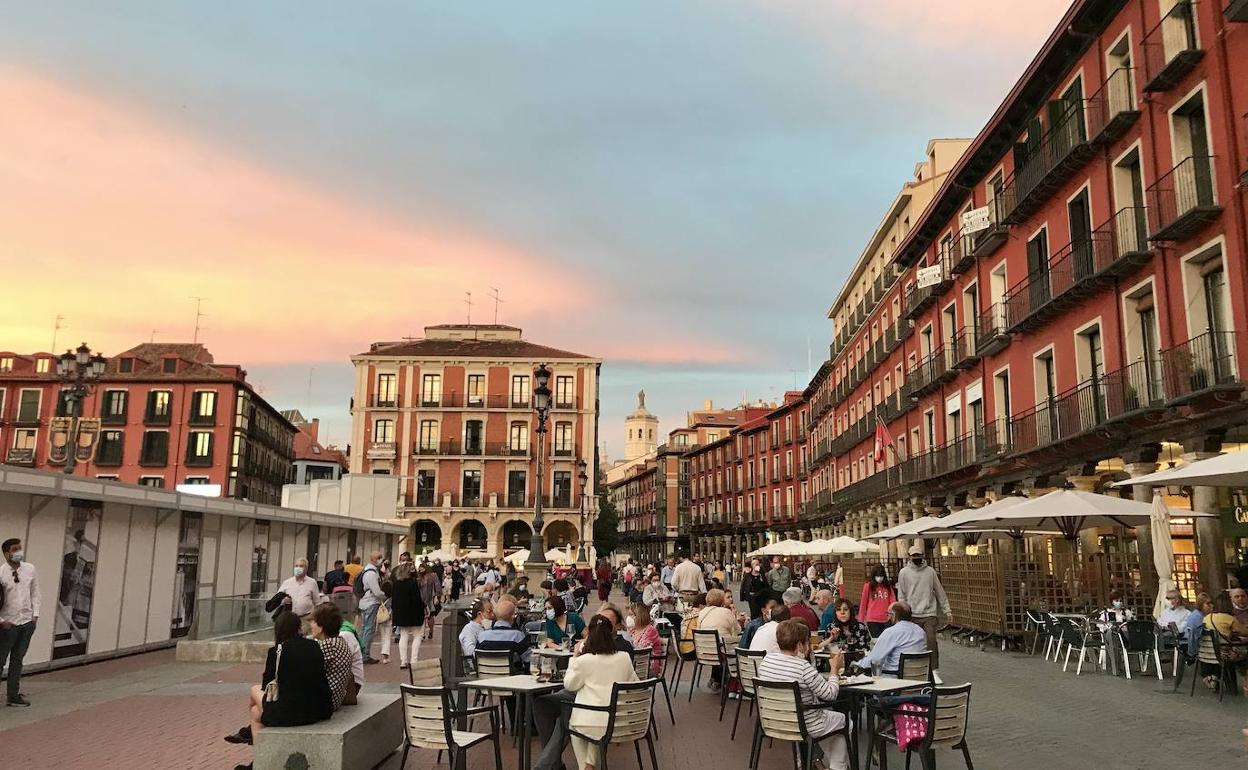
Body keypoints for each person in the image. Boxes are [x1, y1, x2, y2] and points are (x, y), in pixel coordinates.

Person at [226, 611, 333, 770]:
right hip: (316, 710)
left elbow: (266, 686)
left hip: (288, 713)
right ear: (298, 628)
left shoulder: (277, 651)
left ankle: (259, 760)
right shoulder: (314, 646)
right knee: (256, 712)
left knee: (254, 693)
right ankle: (255, 751)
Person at [756, 619, 849, 770]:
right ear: (799, 645)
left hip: (773, 720)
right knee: (843, 720)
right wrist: (834, 671)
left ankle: (815, 762)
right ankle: (837, 767)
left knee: (831, 724)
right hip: (804, 724)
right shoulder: (802, 667)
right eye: (807, 642)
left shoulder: (767, 660)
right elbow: (830, 694)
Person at [564, 615, 641, 770]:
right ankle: (590, 764)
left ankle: (585, 767)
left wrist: (574, 658)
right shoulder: (624, 658)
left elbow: (570, 685)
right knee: (600, 725)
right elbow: (635, 684)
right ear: (611, 633)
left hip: (589, 722)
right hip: (620, 722)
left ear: (589, 634)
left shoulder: (584, 661)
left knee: (578, 727)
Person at [896, 545, 951, 683]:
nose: (916, 558)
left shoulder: (930, 572)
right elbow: (901, 595)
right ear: (909, 556)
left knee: (931, 641)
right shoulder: (903, 572)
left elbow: (939, 591)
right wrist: (901, 614)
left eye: (918, 555)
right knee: (911, 643)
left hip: (929, 613)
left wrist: (947, 610)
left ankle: (934, 670)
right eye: (914, 555)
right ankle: (914, 670)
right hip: (911, 614)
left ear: (922, 556)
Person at [0, 537, 39, 707]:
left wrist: (35, 616)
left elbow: (36, 592)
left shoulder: (29, 569)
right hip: (7, 625)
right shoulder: (1, 573)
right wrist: (2, 621)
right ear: (6, 553)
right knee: (1, 660)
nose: (19, 552)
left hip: (26, 622)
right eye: (15, 549)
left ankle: (13, 695)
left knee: (18, 659)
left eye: (20, 548)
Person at [852, 602, 928, 677]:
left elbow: (875, 659)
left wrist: (856, 664)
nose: (888, 617)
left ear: (894, 615)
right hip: (920, 679)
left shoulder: (891, 632)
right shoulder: (921, 632)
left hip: (894, 679)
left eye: (888, 614)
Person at [310, 604, 354, 711]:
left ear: (321, 627)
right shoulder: (340, 642)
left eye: (313, 622)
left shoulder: (327, 645)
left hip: (323, 703)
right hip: (335, 699)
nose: (311, 625)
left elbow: (308, 671)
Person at [697, 588, 741, 690]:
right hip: (720, 652)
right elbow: (737, 630)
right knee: (737, 646)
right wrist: (734, 614)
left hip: (703, 651)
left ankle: (716, 679)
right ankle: (733, 683)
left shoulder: (702, 613)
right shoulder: (725, 612)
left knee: (718, 644)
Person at [477, 597, 532, 668]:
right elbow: (528, 659)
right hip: (512, 677)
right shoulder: (517, 635)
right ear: (512, 616)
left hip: (486, 676)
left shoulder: (482, 636)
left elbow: (478, 658)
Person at [390, 561, 426, 669]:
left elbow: (394, 600)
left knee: (403, 635)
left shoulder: (396, 583)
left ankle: (403, 661)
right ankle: (413, 660)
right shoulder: (412, 582)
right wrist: (423, 607)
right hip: (414, 612)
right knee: (417, 635)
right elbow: (416, 599)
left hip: (401, 613)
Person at [277, 558, 324, 633]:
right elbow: (277, 599)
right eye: (296, 566)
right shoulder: (287, 582)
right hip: (290, 619)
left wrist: (313, 617)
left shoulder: (312, 582)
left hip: (305, 619)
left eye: (301, 566)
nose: (298, 568)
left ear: (306, 568)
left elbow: (317, 602)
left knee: (303, 639)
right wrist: (283, 600)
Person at [356, 550, 385, 664]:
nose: (380, 559)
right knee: (368, 629)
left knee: (364, 629)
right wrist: (385, 595)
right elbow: (377, 591)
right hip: (370, 603)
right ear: (372, 559)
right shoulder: (371, 573)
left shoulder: (367, 570)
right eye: (379, 557)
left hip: (365, 602)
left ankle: (360, 653)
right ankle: (364, 655)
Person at [822, 599, 872, 663]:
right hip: (838, 664)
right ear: (835, 613)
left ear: (850, 612)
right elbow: (822, 649)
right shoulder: (831, 628)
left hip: (858, 663)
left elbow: (867, 650)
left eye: (845, 609)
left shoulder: (861, 627)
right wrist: (831, 638)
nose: (842, 612)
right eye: (838, 610)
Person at [859, 564, 897, 638]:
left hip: (887, 619)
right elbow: (863, 603)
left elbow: (893, 602)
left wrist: (893, 616)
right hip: (872, 619)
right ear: (873, 576)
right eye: (877, 576)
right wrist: (861, 620)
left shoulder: (888, 587)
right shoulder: (868, 586)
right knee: (876, 641)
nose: (879, 578)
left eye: (881, 576)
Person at [627, 602, 663, 674]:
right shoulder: (633, 630)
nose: (628, 618)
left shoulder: (650, 630)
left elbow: (642, 649)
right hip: (637, 662)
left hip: (648, 665)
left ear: (640, 616)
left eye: (631, 615)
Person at [419, 563, 442, 640]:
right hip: (421, 599)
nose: (421, 570)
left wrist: (437, 596)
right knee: (422, 617)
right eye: (420, 568)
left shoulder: (433, 575)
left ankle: (431, 631)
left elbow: (438, 585)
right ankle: (422, 634)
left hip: (430, 599)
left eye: (422, 568)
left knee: (430, 617)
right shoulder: (419, 577)